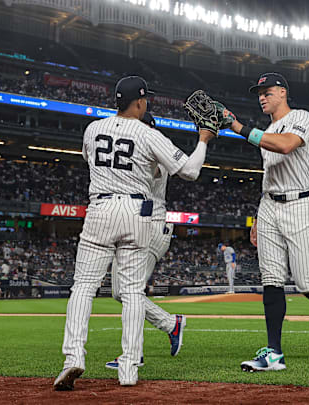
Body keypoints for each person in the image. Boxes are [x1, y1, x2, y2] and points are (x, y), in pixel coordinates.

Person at [54, 76, 214, 390]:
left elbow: (90, 159)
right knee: (131, 293)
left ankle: (73, 356)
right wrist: (204, 139)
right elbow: (191, 171)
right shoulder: (148, 133)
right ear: (139, 102)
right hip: (137, 212)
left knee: (83, 288)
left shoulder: (92, 129)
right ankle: (129, 367)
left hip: (100, 207)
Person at [225, 72, 309, 372]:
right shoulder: (267, 132)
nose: (262, 97)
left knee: (307, 282)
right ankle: (274, 354)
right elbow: (269, 177)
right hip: (270, 206)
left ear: (283, 92)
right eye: (259, 92)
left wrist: (238, 127)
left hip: (301, 206)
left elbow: (286, 145)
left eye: (267, 91)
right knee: (270, 279)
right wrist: (258, 216)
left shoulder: (302, 118)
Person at [105, 112, 186, 371]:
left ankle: (133, 354)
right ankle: (170, 324)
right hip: (133, 226)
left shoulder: (155, 149)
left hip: (151, 227)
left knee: (129, 291)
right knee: (121, 291)